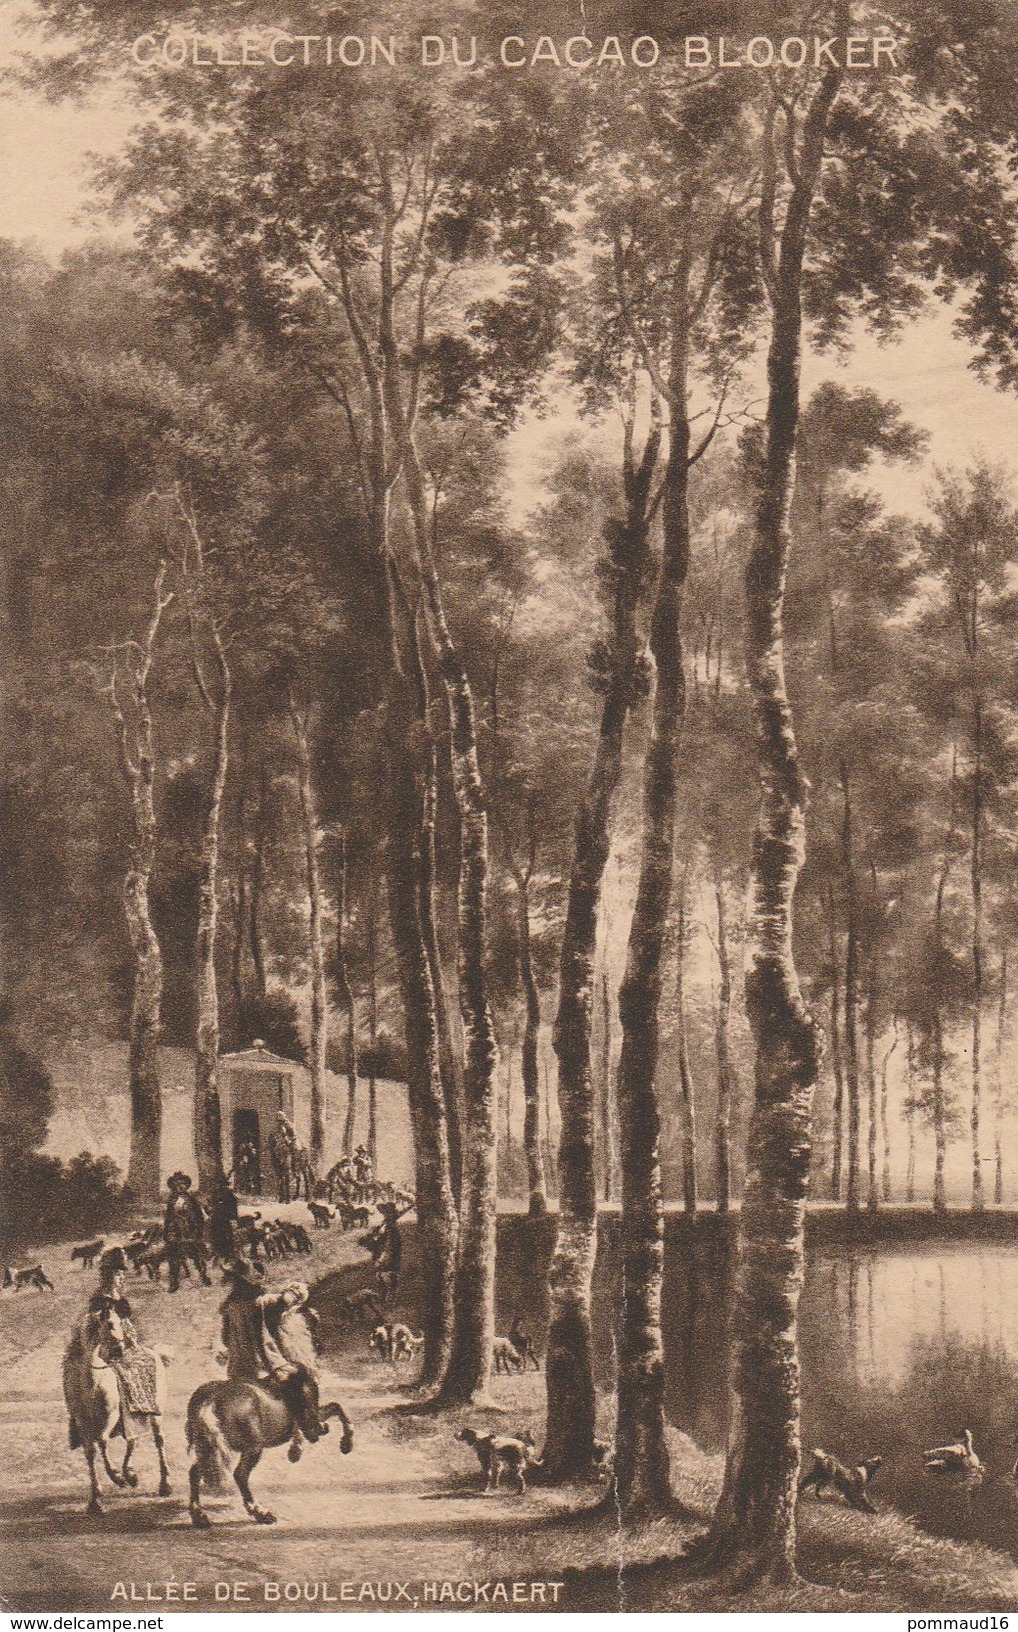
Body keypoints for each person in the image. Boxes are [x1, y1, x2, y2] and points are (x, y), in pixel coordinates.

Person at [217, 1261, 318, 1460]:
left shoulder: (229, 1307)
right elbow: (289, 1299)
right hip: (265, 1367)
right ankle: (306, 1429)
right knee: (301, 1377)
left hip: (237, 1370)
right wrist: (297, 1288)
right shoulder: (263, 1302)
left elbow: (225, 1338)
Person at [88, 1247, 160, 1415]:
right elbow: (98, 1325)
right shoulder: (100, 1299)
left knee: (147, 1361)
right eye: (118, 1274)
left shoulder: (119, 1298)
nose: (122, 1278)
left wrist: (131, 1339)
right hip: (107, 1346)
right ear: (108, 1276)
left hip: (123, 1342)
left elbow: (127, 1323)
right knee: (135, 1366)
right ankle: (135, 1407)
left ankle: (142, 1407)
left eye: (122, 1274)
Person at [163, 1171, 211, 1293]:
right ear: (173, 1185)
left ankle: (203, 1276)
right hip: (175, 1233)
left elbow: (199, 1217)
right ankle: (174, 1282)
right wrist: (167, 1232)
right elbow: (168, 1218)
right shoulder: (171, 1200)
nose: (180, 1186)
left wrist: (198, 1231)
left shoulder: (191, 1200)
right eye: (178, 1184)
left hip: (190, 1232)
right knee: (173, 1258)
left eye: (183, 1184)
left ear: (187, 1185)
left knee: (196, 1255)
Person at [208, 1171, 240, 1263]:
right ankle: (217, 1253)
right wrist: (209, 1210)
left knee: (226, 1237)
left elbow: (233, 1207)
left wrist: (233, 1218)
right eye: (216, 1183)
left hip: (225, 1219)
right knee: (215, 1236)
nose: (218, 1185)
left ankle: (227, 1255)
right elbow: (211, 1206)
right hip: (215, 1219)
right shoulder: (214, 1194)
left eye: (220, 1183)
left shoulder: (228, 1194)